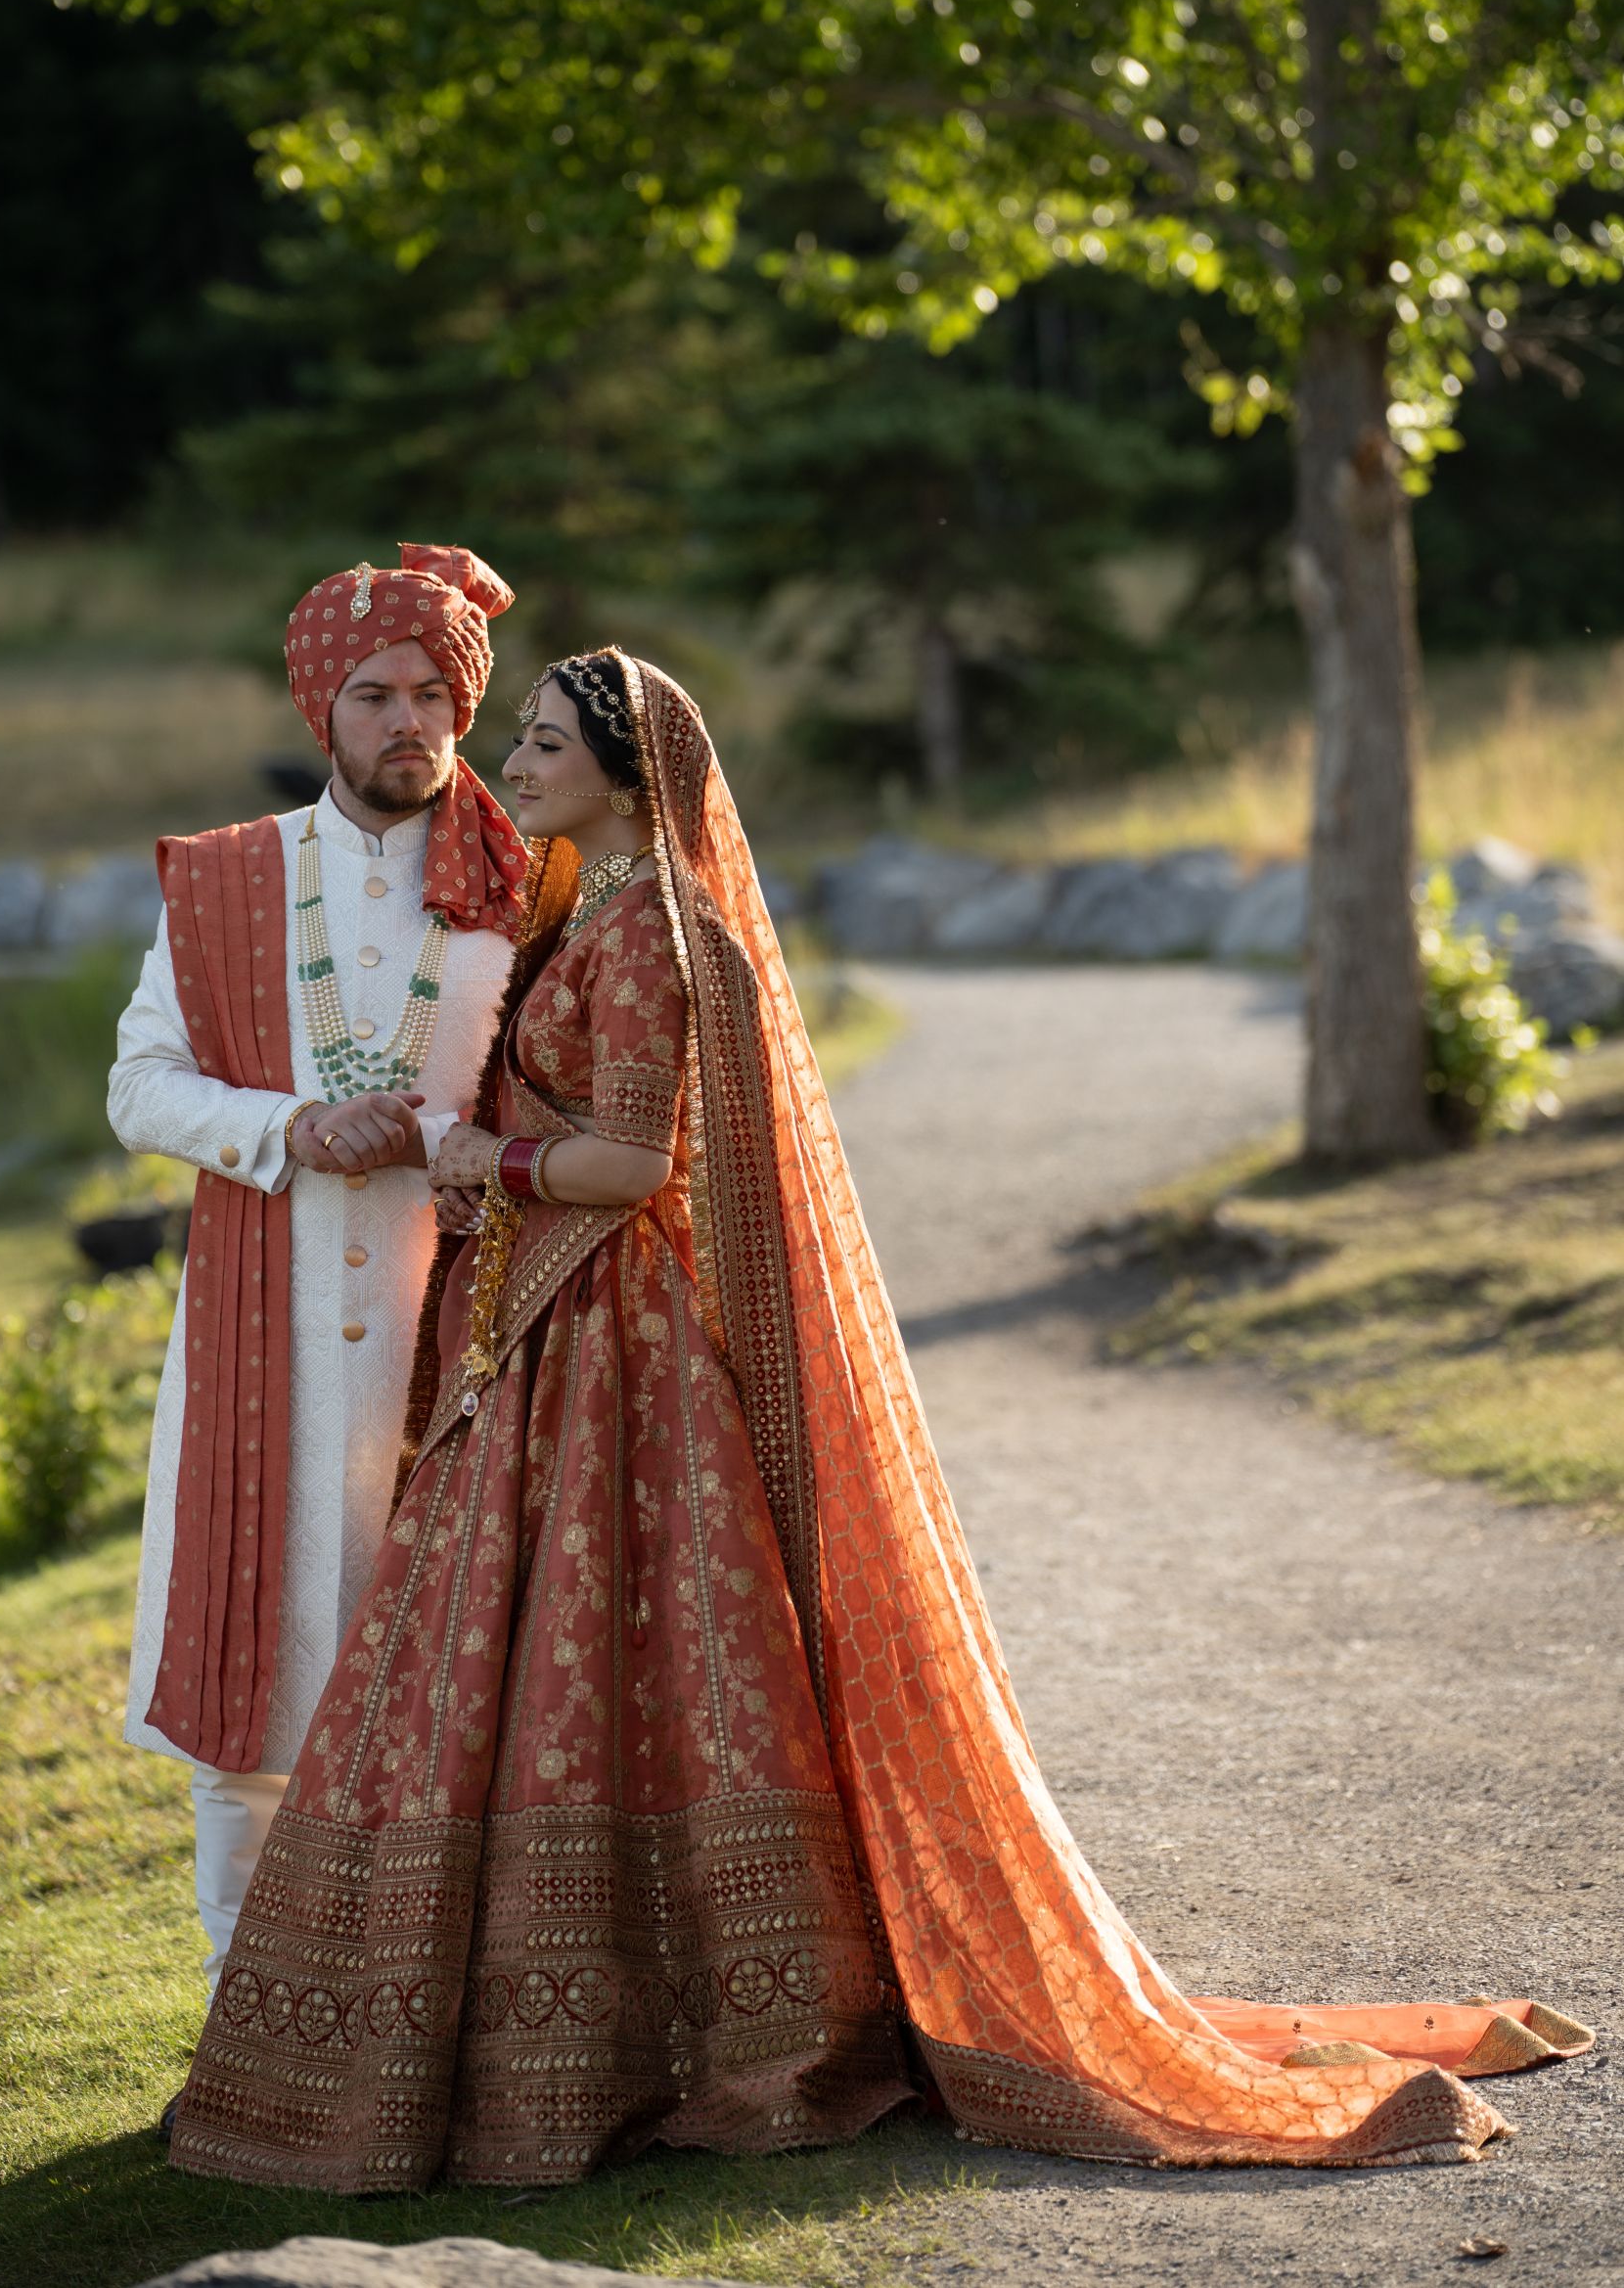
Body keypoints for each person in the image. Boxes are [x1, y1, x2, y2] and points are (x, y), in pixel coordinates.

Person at [168, 649, 1590, 2191]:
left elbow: (635, 1164)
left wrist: (481, 1163)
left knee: (599, 1661)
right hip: (565, 1341)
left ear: (630, 773)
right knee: (586, 1669)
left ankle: (672, 2039)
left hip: (614, 1347)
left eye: (541, 742)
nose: (509, 762)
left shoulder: (656, 935)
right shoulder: (594, 907)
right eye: (513, 737)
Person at [110, 543, 526, 2021]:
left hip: (457, 1333)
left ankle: (422, 2003)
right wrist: (287, 1126)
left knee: (445, 1685)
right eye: (372, 694)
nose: (405, 722)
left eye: (431, 693)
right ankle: (243, 2005)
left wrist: (459, 1147)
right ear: (321, 710)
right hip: (263, 1329)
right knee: (260, 1683)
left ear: (464, 707)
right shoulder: (229, 879)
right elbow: (141, 1089)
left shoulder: (518, 887)